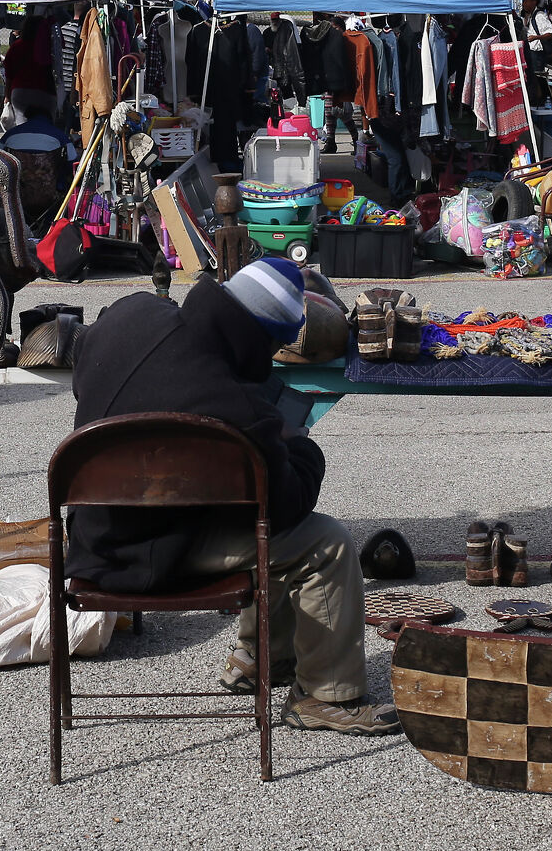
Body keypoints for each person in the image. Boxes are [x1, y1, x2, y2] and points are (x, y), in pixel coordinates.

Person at [66, 258, 399, 737]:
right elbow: (290, 506)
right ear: (259, 339)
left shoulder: (130, 311)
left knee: (238, 503)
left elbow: (87, 376)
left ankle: (259, 659)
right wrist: (297, 440)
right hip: (157, 558)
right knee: (319, 541)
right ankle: (327, 696)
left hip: (92, 541)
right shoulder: (240, 410)